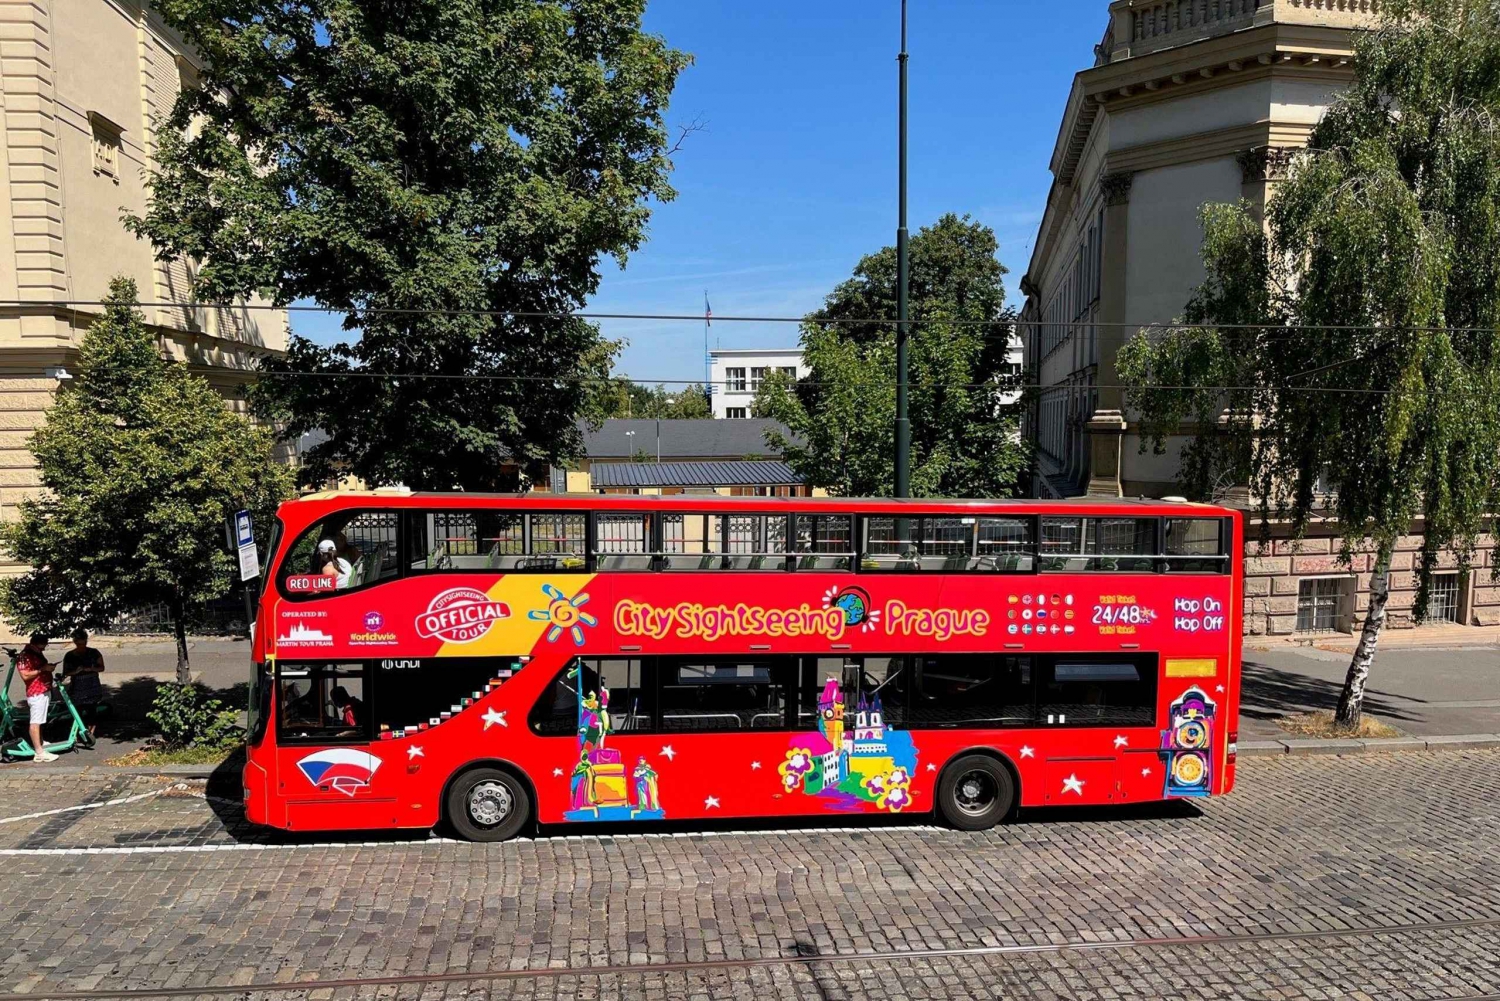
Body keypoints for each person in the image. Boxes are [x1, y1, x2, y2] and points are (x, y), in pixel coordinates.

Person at [16, 633, 58, 762]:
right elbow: (25, 675)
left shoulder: (35, 653)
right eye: (41, 647)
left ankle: (40, 742)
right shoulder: (25, 656)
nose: (43, 649)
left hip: (43, 689)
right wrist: (43, 669)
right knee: (35, 722)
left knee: (41, 720)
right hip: (36, 692)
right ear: (34, 644)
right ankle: (39, 752)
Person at [61, 628, 106, 737]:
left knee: (92, 709)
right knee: (78, 710)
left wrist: (91, 669)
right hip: (78, 687)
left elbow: (101, 667)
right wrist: (76, 671)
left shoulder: (94, 652)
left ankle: (91, 732)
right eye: (79, 644)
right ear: (75, 642)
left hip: (92, 685)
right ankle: (78, 731)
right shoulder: (69, 655)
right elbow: (66, 672)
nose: (82, 646)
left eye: (84, 643)